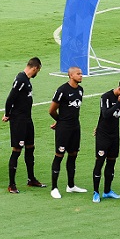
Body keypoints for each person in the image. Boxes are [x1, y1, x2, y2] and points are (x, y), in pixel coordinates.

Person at [2, 57, 45, 193]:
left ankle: (31, 179)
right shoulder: (21, 79)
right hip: (19, 120)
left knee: (30, 148)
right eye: (38, 70)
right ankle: (11, 184)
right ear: (35, 68)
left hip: (27, 119)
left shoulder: (26, 80)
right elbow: (10, 98)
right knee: (17, 150)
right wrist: (7, 114)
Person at [91, 78, 120, 203]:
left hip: (114, 135)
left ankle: (107, 191)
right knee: (100, 162)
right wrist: (117, 102)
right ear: (119, 89)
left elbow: (116, 115)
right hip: (103, 135)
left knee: (111, 162)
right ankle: (96, 192)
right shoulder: (106, 97)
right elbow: (105, 114)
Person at [48, 66, 85, 199]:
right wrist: (60, 122)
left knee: (73, 154)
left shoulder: (80, 90)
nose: (81, 75)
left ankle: (71, 185)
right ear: (70, 75)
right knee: (59, 155)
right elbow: (51, 110)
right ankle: (54, 188)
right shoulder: (62, 90)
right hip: (64, 129)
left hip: (75, 127)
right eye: (78, 74)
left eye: (81, 73)